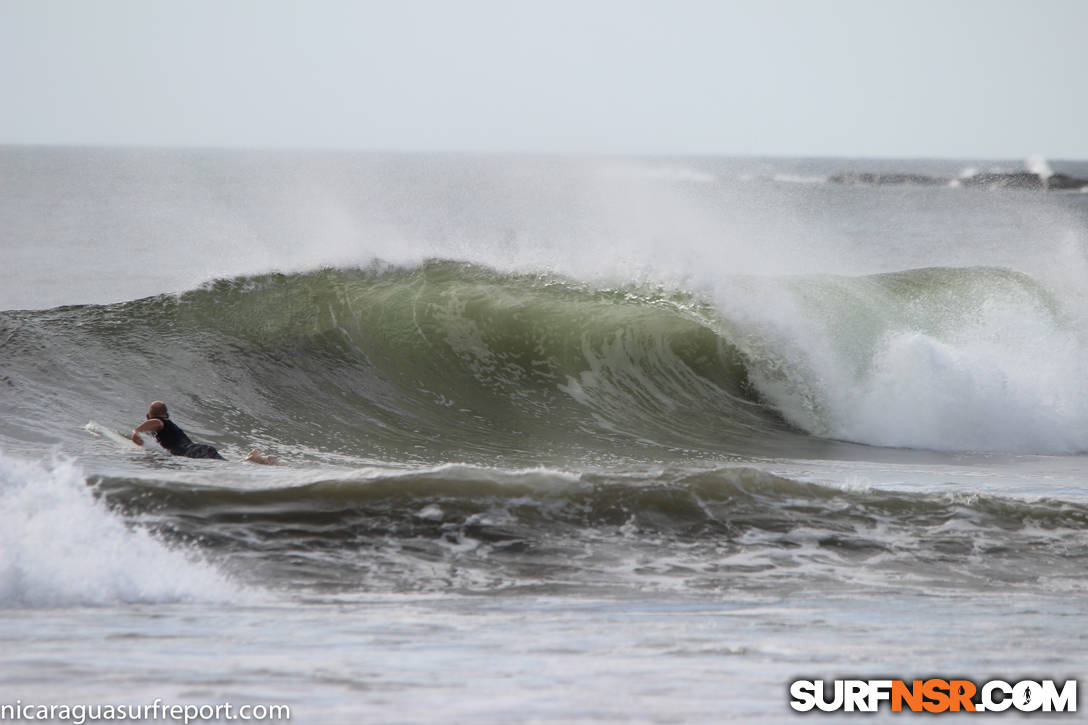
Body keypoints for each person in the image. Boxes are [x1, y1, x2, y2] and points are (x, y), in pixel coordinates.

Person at [131, 401, 276, 464]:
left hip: (192, 452)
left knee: (228, 467)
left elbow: (139, 432)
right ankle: (254, 459)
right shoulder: (169, 424)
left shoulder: (157, 421)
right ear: (167, 414)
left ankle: (252, 459)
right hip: (198, 449)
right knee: (230, 465)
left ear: (148, 416)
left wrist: (137, 437)